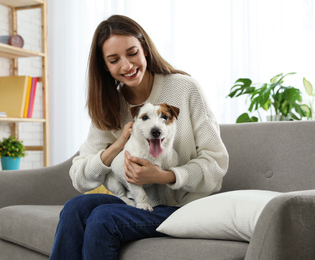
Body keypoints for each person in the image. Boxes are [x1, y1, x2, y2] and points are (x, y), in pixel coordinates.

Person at [49, 14, 228, 260]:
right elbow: (79, 178)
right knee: (74, 208)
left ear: (144, 48)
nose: (126, 65)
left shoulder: (185, 89)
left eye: (132, 53)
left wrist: (166, 176)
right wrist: (116, 147)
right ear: (105, 66)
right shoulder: (110, 106)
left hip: (181, 207)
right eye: (114, 60)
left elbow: (216, 164)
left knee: (103, 218)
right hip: (136, 203)